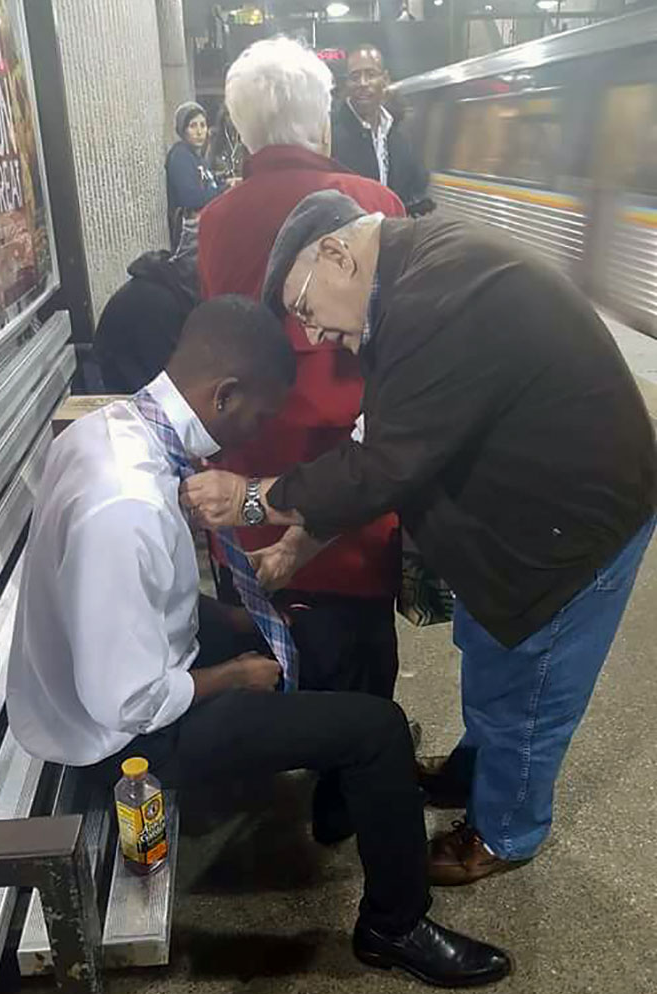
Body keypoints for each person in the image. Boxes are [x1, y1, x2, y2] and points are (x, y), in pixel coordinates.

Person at [5, 295, 510, 990]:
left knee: (303, 627)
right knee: (380, 730)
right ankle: (394, 926)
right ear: (225, 394)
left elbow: (136, 604)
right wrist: (234, 676)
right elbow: (128, 702)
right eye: (259, 415)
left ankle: (345, 796)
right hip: (122, 741)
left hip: (112, 670)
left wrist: (237, 623)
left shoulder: (109, 430)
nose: (256, 434)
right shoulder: (126, 507)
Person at [184, 191, 657, 887]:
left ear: (338, 255)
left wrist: (255, 498)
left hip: (571, 527)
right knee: (489, 649)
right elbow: (382, 438)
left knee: (531, 684)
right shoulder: (408, 281)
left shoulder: (439, 298)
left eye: (307, 311)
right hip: (516, 512)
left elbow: (382, 466)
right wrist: (297, 545)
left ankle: (506, 831)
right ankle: (477, 766)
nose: (313, 337)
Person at [198, 36, 404, 717]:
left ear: (239, 125)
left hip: (250, 475)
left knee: (270, 633)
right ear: (321, 117)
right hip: (353, 468)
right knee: (359, 647)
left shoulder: (216, 219)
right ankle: (347, 782)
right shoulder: (373, 199)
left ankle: (287, 747)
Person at [88, 226, 200, 395]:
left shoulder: (171, 285)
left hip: (129, 383)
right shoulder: (158, 303)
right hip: (112, 394)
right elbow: (174, 389)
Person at [331, 45, 427, 211]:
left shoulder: (400, 135)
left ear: (385, 79)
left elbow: (415, 189)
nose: (362, 83)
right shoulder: (332, 133)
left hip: (393, 232)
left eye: (370, 74)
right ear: (347, 83)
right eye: (355, 76)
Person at [166, 102, 221, 245]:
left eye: (203, 125)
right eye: (193, 126)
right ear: (183, 130)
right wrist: (221, 191)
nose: (199, 132)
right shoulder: (179, 156)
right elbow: (191, 198)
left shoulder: (199, 158)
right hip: (188, 239)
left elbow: (211, 183)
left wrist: (228, 183)